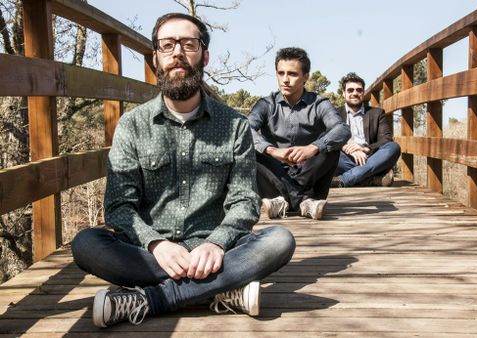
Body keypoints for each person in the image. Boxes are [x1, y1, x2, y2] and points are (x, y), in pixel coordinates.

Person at [71, 13, 295, 328]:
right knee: (85, 245)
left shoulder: (234, 125)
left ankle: (151, 299)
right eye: (167, 45)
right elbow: (119, 205)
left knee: (279, 241)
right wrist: (155, 244)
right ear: (155, 58)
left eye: (188, 44)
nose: (177, 52)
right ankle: (219, 291)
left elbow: (245, 200)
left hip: (215, 251)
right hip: (149, 254)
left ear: (204, 55)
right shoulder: (132, 126)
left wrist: (217, 243)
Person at [248, 47, 351, 220]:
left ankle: (284, 202)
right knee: (250, 147)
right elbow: (244, 129)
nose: (285, 80)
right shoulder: (266, 104)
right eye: (281, 73)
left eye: (292, 74)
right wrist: (272, 150)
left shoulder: (319, 104)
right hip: (275, 174)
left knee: (331, 145)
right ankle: (303, 202)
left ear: (306, 77)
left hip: (309, 172)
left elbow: (343, 130)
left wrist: (313, 147)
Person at [334, 72, 401, 187]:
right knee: (325, 151)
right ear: (343, 94)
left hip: (370, 158)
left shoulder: (377, 113)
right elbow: (326, 138)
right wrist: (345, 147)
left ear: (363, 93)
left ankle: (344, 179)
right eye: (350, 90)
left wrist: (365, 149)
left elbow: (386, 139)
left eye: (359, 90)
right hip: (344, 158)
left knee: (393, 147)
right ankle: (371, 179)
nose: (355, 93)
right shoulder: (334, 114)